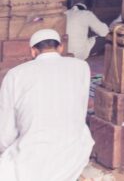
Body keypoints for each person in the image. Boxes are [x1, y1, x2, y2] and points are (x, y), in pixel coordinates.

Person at [0, 29, 94, 181]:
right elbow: (81, 106)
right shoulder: (81, 66)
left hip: (30, 160)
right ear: (60, 47)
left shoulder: (15, 74)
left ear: (33, 51)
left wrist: (7, 149)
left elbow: (5, 135)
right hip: (74, 154)